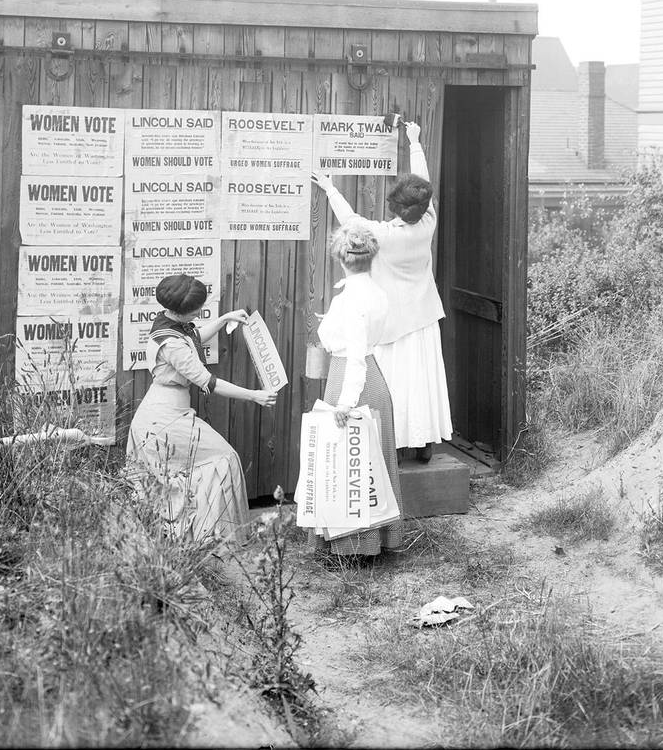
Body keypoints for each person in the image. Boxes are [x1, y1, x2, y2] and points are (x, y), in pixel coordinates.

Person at [310, 119, 452, 463]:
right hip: (423, 317)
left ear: (395, 209)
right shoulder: (428, 221)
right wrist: (414, 141)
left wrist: (329, 188)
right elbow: (425, 184)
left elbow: (351, 220)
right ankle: (424, 443)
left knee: (396, 385)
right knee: (423, 384)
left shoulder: (385, 235)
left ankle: (396, 444)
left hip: (392, 324)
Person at [126, 273, 277, 544]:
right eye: (197, 309)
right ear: (182, 313)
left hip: (171, 412)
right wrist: (254, 395)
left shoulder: (169, 324)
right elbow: (209, 382)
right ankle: (212, 537)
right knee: (223, 458)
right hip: (163, 420)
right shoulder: (171, 343)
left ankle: (204, 535)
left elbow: (194, 337)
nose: (200, 311)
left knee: (210, 464)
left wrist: (223, 319)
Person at [309, 221, 403, 557]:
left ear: (340, 257)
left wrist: (346, 404)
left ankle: (353, 550)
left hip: (352, 379)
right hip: (372, 379)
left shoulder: (351, 300)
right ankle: (373, 540)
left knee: (348, 466)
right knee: (369, 463)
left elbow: (355, 356)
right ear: (371, 257)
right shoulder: (374, 292)